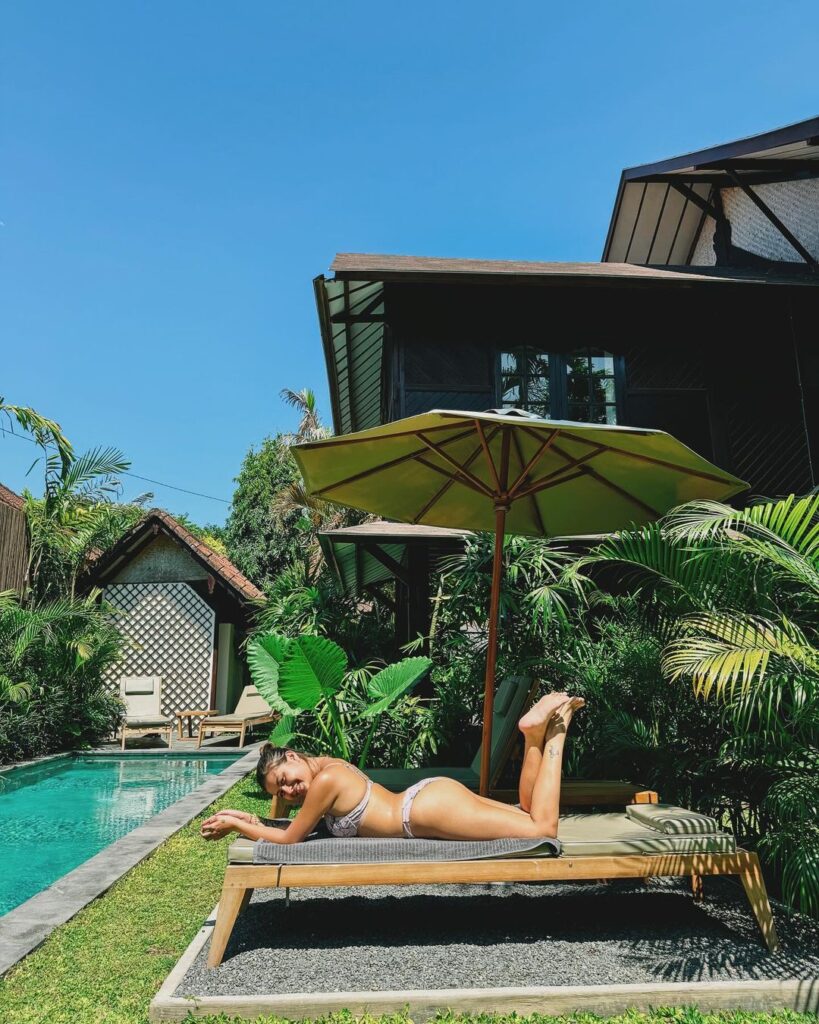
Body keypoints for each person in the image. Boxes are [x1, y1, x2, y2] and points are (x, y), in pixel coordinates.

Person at [200, 691, 584, 845]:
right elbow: (287, 823)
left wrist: (237, 826)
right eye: (280, 792)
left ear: (294, 757)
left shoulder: (325, 782)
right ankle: (532, 737)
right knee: (528, 814)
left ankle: (555, 736)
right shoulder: (328, 765)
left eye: (285, 781)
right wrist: (248, 817)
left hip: (427, 811)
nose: (289, 792)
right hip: (429, 801)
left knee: (541, 830)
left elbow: (290, 839)